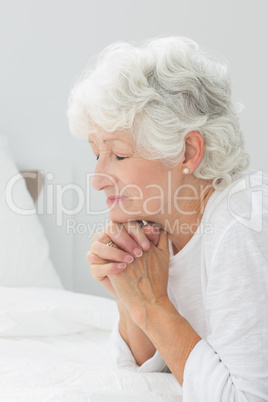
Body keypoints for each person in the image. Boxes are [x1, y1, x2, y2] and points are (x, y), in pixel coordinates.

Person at [67, 36, 268, 401]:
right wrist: (132, 299)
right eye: (96, 154)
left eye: (120, 155)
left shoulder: (243, 224)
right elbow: (145, 374)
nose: (96, 180)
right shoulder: (157, 225)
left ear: (188, 152)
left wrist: (153, 305)